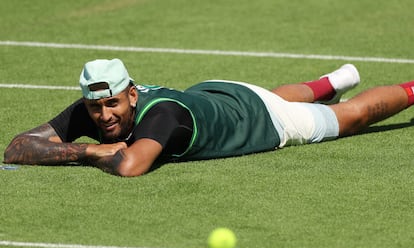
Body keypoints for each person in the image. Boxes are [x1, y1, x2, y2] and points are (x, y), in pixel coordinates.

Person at [3, 58, 413, 177]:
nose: (103, 115)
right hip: (216, 92)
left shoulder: (162, 114)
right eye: (95, 107)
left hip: (263, 121)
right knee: (270, 97)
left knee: (351, 117)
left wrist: (92, 152)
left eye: (112, 104)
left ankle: (401, 87)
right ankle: (332, 79)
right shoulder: (93, 109)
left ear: (132, 93)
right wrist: (88, 147)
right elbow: (16, 146)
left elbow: (130, 165)